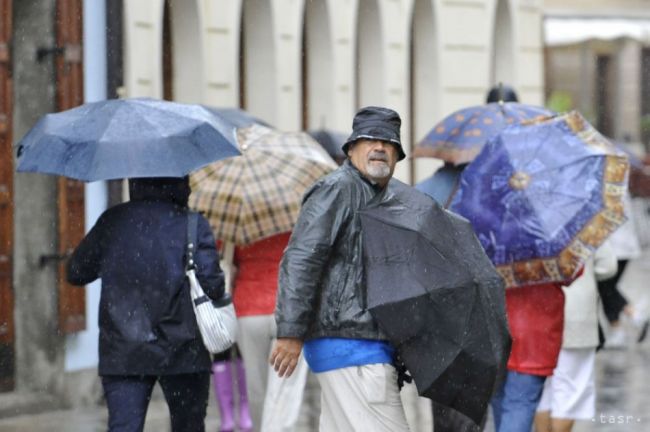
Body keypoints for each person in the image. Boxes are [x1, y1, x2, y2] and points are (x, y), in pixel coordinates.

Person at [270, 106, 410, 431]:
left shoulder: (381, 197)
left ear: (398, 155)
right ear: (351, 149)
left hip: (356, 347)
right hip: (356, 348)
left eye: (388, 143)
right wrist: (290, 331)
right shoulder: (339, 188)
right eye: (369, 139)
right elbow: (303, 257)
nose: (379, 147)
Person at [67, 177, 225, 432]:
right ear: (181, 183)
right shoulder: (192, 225)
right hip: (183, 349)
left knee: (124, 427)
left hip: (123, 347)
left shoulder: (112, 221)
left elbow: (75, 272)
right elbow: (214, 287)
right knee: (188, 427)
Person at [228, 233, 308, 432]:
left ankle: (261, 428)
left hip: (249, 311)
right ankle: (280, 428)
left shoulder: (240, 219)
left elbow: (229, 262)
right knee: (286, 388)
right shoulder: (292, 217)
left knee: (256, 387)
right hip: (288, 309)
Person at [534, 244, 617, 432]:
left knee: (543, 391)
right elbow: (608, 265)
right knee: (570, 392)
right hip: (577, 316)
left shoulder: (530, 219)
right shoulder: (585, 221)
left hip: (540, 314)